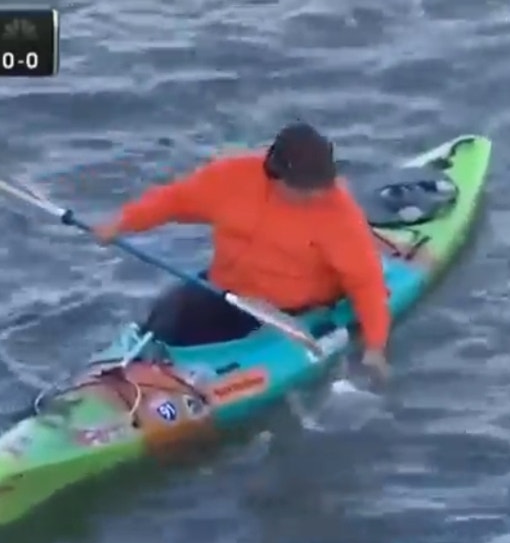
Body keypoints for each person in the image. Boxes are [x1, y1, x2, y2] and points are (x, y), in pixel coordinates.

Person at [93, 122, 391, 378]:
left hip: (286, 311)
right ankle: (124, 373)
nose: (317, 194)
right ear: (275, 174)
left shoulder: (339, 214)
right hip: (228, 289)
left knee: (211, 339)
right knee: (167, 315)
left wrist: (375, 347)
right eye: (305, 187)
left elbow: (366, 282)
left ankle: (182, 383)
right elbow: (175, 200)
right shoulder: (233, 176)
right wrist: (122, 223)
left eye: (320, 185)